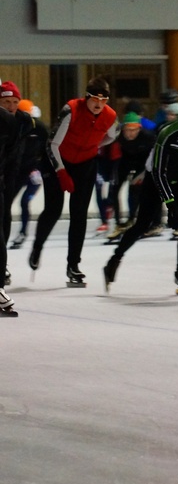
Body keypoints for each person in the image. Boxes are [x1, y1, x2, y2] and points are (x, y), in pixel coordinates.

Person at [103, 95, 178, 296]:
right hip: (155, 180)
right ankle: (115, 258)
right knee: (142, 225)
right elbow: (158, 172)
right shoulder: (167, 134)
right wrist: (170, 204)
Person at [29, 76, 119, 286]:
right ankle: (37, 246)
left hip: (85, 164)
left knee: (79, 215)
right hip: (57, 159)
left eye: (103, 100)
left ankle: (73, 266)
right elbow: (52, 144)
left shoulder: (110, 116)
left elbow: (112, 136)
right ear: (87, 97)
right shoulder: (71, 110)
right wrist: (61, 172)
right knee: (54, 210)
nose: (99, 104)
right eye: (95, 99)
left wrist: (94, 146)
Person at [0, 81, 34, 315]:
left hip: (7, 178)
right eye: (6, 102)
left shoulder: (22, 122)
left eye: (14, 102)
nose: (11, 106)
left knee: (2, 228)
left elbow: (13, 156)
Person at [105, 111, 156, 238]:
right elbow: (107, 150)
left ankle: (132, 219)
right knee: (114, 190)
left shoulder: (148, 136)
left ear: (139, 128)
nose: (130, 133)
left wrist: (145, 173)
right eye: (127, 130)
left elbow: (155, 156)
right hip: (125, 161)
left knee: (135, 190)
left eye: (134, 130)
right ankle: (118, 223)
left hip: (143, 163)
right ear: (123, 129)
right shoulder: (118, 135)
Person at [10, 99, 48, 250]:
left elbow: (47, 150)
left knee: (24, 201)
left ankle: (23, 232)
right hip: (18, 171)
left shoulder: (39, 128)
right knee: (7, 201)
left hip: (33, 172)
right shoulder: (14, 127)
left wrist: (40, 168)